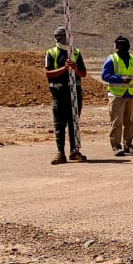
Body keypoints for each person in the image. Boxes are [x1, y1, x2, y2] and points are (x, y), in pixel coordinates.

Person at [44, 25, 87, 164]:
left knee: (74, 124)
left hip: (74, 94)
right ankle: (60, 152)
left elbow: (83, 74)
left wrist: (75, 68)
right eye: (63, 37)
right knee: (59, 124)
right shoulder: (51, 53)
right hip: (59, 94)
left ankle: (74, 151)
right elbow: (48, 74)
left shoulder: (76, 53)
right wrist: (64, 68)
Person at [101, 35, 133, 155]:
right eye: (118, 45)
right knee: (116, 121)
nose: (120, 47)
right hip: (116, 94)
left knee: (130, 121)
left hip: (130, 94)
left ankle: (128, 144)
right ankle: (116, 146)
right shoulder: (112, 59)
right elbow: (105, 75)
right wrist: (120, 79)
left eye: (122, 44)